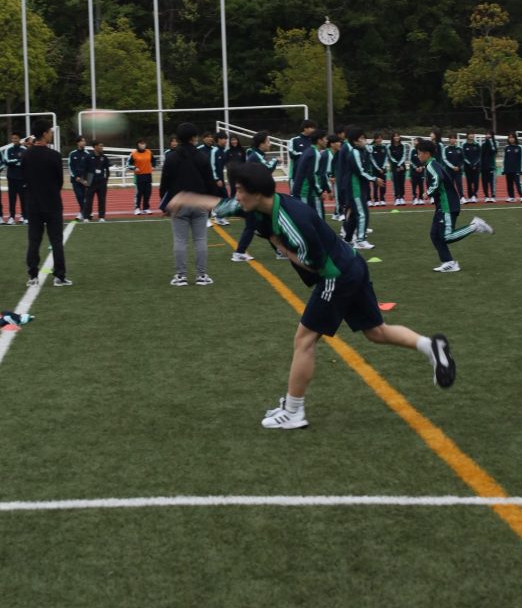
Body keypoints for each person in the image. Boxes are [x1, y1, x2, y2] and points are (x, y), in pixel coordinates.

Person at [168, 161, 459, 429]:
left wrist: (281, 247)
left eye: (241, 190)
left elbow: (314, 264)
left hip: (335, 274)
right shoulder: (259, 204)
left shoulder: (291, 221)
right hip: (351, 264)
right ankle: (431, 346)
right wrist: (185, 197)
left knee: (304, 339)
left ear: (256, 193)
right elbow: (222, 205)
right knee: (376, 332)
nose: (237, 196)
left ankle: (294, 411)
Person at [417, 139, 493, 273]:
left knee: (447, 236)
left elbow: (438, 178)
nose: (418, 156)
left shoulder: (431, 165)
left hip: (447, 204)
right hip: (443, 205)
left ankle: (475, 226)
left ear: (427, 154)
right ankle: (449, 262)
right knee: (435, 235)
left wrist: (428, 192)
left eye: (419, 153)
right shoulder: (432, 164)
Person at [159, 121, 218, 285]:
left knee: (180, 240)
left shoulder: (171, 157)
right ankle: (201, 275)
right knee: (200, 239)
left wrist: (166, 204)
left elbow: (164, 184)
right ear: (193, 137)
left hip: (179, 203)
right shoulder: (202, 156)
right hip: (199, 202)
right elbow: (210, 182)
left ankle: (181, 276)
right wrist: (210, 203)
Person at [21, 119, 71, 287]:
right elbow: (59, 181)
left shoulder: (26, 155)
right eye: (50, 131)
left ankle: (32, 276)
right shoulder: (54, 155)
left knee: (34, 241)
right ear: (44, 133)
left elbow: (24, 179)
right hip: (52, 204)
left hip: (33, 204)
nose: (51, 134)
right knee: (56, 241)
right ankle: (59, 276)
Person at [230, 131, 279, 262]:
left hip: (254, 196)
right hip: (251, 197)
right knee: (253, 225)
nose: (270, 144)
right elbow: (267, 169)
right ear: (261, 144)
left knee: (266, 223)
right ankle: (239, 252)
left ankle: (279, 250)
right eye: (268, 141)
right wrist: (276, 160)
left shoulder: (256, 154)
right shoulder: (256, 156)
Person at [342, 127, 376, 250]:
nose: (364, 140)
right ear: (355, 141)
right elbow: (360, 172)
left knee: (354, 215)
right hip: (354, 188)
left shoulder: (362, 151)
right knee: (362, 214)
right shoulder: (355, 152)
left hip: (359, 188)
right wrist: (374, 179)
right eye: (361, 138)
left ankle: (347, 239)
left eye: (364, 137)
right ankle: (360, 240)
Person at [291, 129, 328, 218]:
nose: (327, 141)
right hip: (306, 191)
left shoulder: (309, 151)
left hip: (303, 191)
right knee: (314, 218)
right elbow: (312, 175)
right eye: (325, 138)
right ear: (319, 140)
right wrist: (319, 191)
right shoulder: (314, 153)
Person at [84, 141, 110, 222]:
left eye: (102, 146)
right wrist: (85, 180)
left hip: (101, 181)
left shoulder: (104, 157)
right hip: (90, 180)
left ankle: (101, 217)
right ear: (95, 147)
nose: (102, 147)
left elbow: (107, 169)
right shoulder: (88, 157)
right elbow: (84, 169)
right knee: (89, 200)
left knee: (102, 200)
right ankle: (86, 217)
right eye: (100, 146)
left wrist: (106, 179)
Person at [4, 132, 26, 224]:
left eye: (16, 138)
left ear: (19, 139)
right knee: (12, 199)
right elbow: (6, 161)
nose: (14, 140)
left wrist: (14, 162)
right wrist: (17, 160)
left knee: (23, 198)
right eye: (13, 138)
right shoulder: (8, 149)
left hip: (22, 178)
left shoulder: (24, 149)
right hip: (11, 178)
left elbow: (25, 162)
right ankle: (12, 217)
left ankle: (24, 216)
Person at [129, 138, 154, 214]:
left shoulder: (149, 152)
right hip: (138, 176)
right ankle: (137, 208)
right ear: (138, 144)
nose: (142, 145)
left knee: (148, 193)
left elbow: (154, 161)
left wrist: (153, 166)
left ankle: (146, 208)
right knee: (139, 193)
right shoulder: (133, 154)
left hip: (148, 175)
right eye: (141, 143)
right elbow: (128, 164)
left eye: (144, 143)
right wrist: (134, 168)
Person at [287, 119, 316, 185]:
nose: (314, 130)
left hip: (311, 175)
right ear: (305, 128)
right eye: (312, 128)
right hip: (296, 174)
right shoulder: (294, 140)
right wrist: (307, 155)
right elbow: (292, 154)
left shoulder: (314, 141)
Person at [68, 135, 90, 221]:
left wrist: (87, 180)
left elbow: (89, 168)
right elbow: (70, 166)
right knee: (79, 196)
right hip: (75, 180)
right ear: (78, 143)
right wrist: (75, 176)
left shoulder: (87, 154)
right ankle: (85, 212)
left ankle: (82, 212)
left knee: (84, 197)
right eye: (82, 141)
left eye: (84, 141)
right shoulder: (72, 154)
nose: (84, 142)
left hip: (84, 180)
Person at [502, 132, 522, 202]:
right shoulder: (506, 147)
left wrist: (521, 170)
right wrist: (503, 169)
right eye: (510, 138)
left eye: (512, 137)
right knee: (509, 184)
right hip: (508, 169)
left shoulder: (520, 147)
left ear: (515, 138)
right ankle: (511, 197)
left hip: (517, 169)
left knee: (518, 183)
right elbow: (504, 159)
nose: (511, 139)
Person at [387, 132, 408, 206]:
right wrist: (397, 165)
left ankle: (402, 197)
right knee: (395, 182)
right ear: (392, 138)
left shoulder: (403, 146)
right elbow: (390, 157)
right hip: (394, 167)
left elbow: (404, 156)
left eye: (398, 136)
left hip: (402, 166)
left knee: (402, 182)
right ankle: (397, 198)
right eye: (395, 136)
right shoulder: (389, 147)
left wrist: (400, 165)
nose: (396, 137)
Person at [443, 134, 464, 200]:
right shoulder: (445, 149)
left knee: (459, 183)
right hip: (449, 170)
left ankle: (462, 197)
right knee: (450, 184)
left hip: (458, 170)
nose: (453, 140)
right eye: (451, 138)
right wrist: (452, 167)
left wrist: (459, 167)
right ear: (449, 140)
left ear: (456, 140)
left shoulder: (459, 148)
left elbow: (462, 159)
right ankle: (451, 197)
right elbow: (445, 159)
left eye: (454, 138)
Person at [462, 132, 481, 203]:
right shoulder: (464, 145)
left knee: (476, 182)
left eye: (472, 135)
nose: (471, 136)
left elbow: (479, 156)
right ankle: (470, 196)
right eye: (470, 134)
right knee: (469, 182)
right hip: (468, 167)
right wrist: (469, 164)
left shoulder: (477, 145)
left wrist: (475, 164)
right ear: (467, 136)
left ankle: (474, 196)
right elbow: (464, 156)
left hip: (476, 167)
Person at [369, 133, 388, 206]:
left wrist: (383, 167)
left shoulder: (384, 147)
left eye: (380, 138)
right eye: (377, 138)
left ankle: (382, 199)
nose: (379, 140)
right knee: (375, 185)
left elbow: (386, 157)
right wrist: (378, 168)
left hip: (383, 169)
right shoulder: (372, 147)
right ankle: (376, 200)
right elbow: (372, 159)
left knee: (383, 184)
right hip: (375, 169)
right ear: (374, 139)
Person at [480, 130, 498, 202]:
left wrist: (490, 141)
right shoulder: (483, 144)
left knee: (492, 182)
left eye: (489, 134)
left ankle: (493, 196)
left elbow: (494, 151)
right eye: (487, 134)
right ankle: (486, 196)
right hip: (484, 166)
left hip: (492, 166)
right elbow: (481, 155)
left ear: (492, 135)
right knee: (484, 182)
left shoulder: (495, 143)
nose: (487, 135)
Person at [409, 137, 425, 205]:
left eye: (416, 141)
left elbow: (425, 160)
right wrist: (416, 168)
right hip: (414, 171)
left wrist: (422, 167)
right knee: (414, 185)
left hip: (421, 171)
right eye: (414, 141)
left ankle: (421, 198)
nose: (414, 142)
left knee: (421, 185)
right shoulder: (412, 150)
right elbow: (411, 160)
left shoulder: (423, 151)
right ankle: (415, 198)